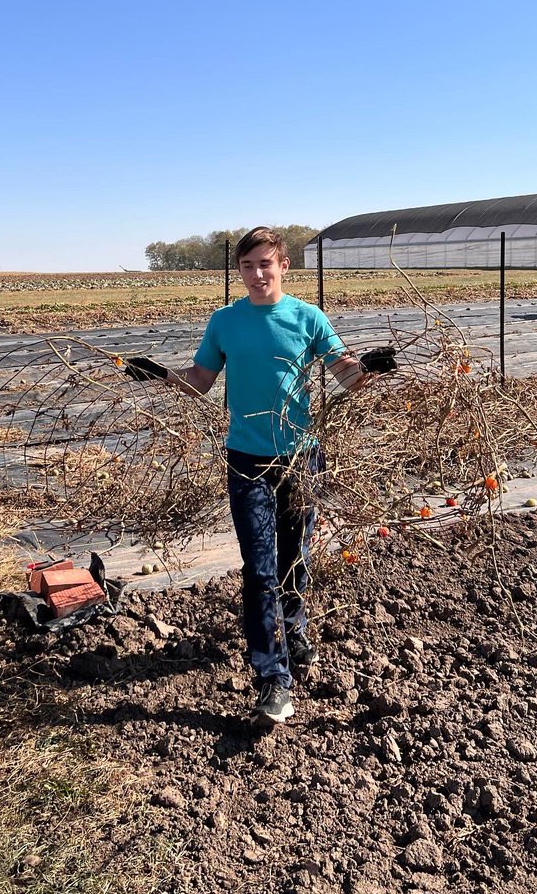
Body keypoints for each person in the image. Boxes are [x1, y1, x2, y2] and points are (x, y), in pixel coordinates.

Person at [125, 226, 396, 728]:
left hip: (300, 459)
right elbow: (201, 382)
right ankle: (273, 677)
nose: (255, 274)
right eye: (247, 266)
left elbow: (347, 376)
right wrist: (159, 374)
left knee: (295, 556)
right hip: (245, 459)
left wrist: (374, 368)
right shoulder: (225, 322)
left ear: (283, 266)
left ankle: (292, 629)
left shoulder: (307, 318)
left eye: (264, 265)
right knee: (258, 566)